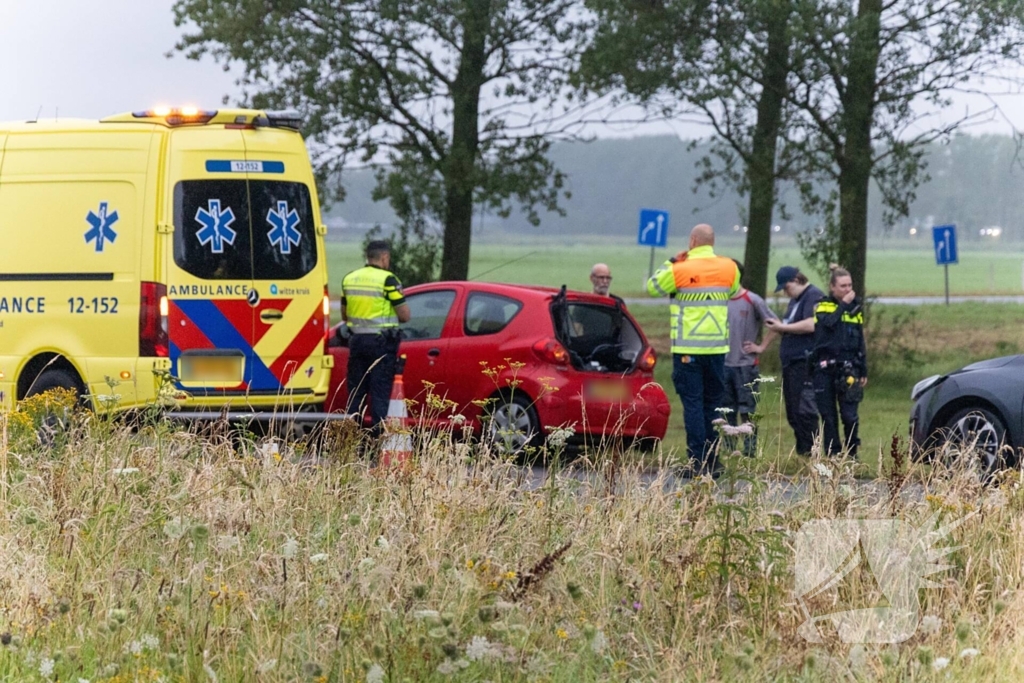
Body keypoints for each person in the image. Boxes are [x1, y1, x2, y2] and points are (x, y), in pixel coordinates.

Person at [647, 224, 740, 476]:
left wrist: (671, 261)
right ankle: (713, 461)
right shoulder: (729, 267)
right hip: (717, 349)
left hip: (688, 349)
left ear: (692, 240)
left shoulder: (679, 268)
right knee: (713, 404)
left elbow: (652, 287)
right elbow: (733, 290)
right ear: (713, 241)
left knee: (693, 405)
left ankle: (696, 462)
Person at [341, 240, 411, 437]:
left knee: (356, 394)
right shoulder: (388, 280)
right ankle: (377, 442)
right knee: (380, 393)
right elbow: (405, 315)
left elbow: (345, 316)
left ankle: (350, 442)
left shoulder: (350, 279)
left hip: (356, 343)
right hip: (381, 344)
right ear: (384, 257)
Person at [765, 266, 824, 456]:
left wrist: (783, 327)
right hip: (791, 363)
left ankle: (810, 451)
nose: (785, 292)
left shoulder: (813, 296)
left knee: (804, 410)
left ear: (797, 280)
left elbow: (811, 324)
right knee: (792, 411)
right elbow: (784, 324)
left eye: (787, 287)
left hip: (804, 361)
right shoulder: (795, 301)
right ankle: (802, 450)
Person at [810, 265, 867, 458]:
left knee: (850, 416)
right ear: (832, 287)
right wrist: (843, 305)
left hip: (849, 368)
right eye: (843, 286)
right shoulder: (823, 305)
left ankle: (852, 454)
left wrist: (863, 370)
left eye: (850, 285)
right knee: (828, 416)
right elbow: (829, 324)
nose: (847, 290)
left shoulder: (855, 309)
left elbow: (860, 339)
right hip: (825, 368)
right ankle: (833, 454)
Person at [724, 259, 779, 455]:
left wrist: (761, 346)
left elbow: (774, 324)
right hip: (723, 365)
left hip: (745, 365)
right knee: (725, 410)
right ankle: (729, 451)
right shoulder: (718, 300)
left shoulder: (752, 300)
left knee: (747, 410)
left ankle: (749, 451)